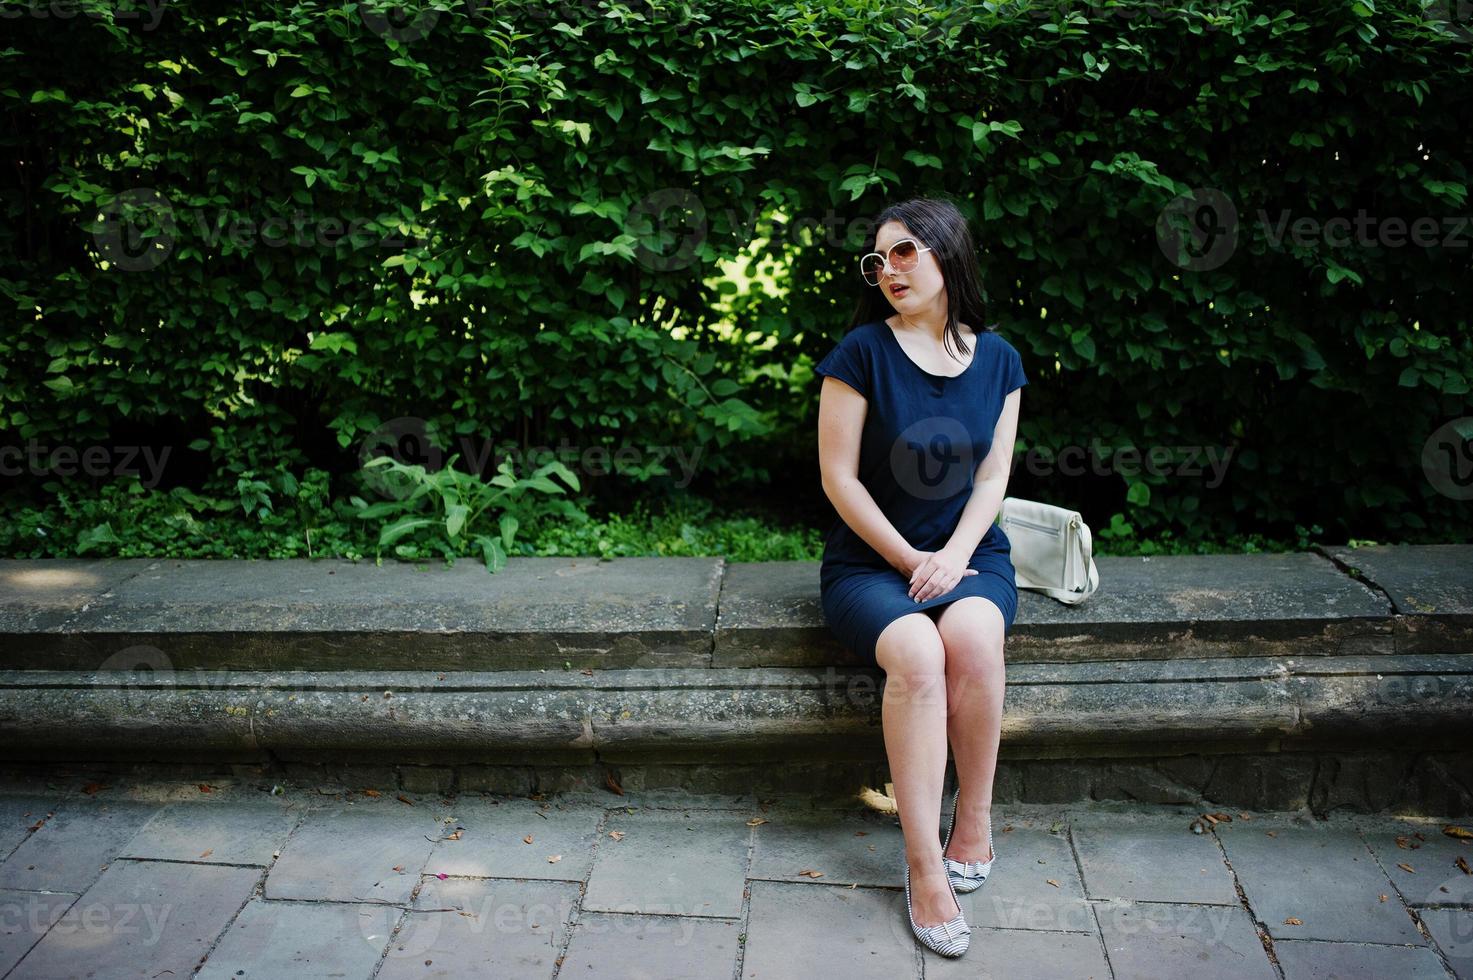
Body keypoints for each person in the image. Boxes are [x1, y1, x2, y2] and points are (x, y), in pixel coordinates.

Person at [813, 196, 1028, 958]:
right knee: (916, 653)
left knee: (972, 634)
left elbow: (994, 472)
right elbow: (839, 480)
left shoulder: (998, 359)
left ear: (946, 254)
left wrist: (955, 554)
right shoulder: (859, 353)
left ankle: (974, 819)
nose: (887, 270)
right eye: (876, 260)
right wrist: (909, 560)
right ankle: (921, 863)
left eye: (904, 252)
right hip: (871, 564)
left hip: (968, 553)